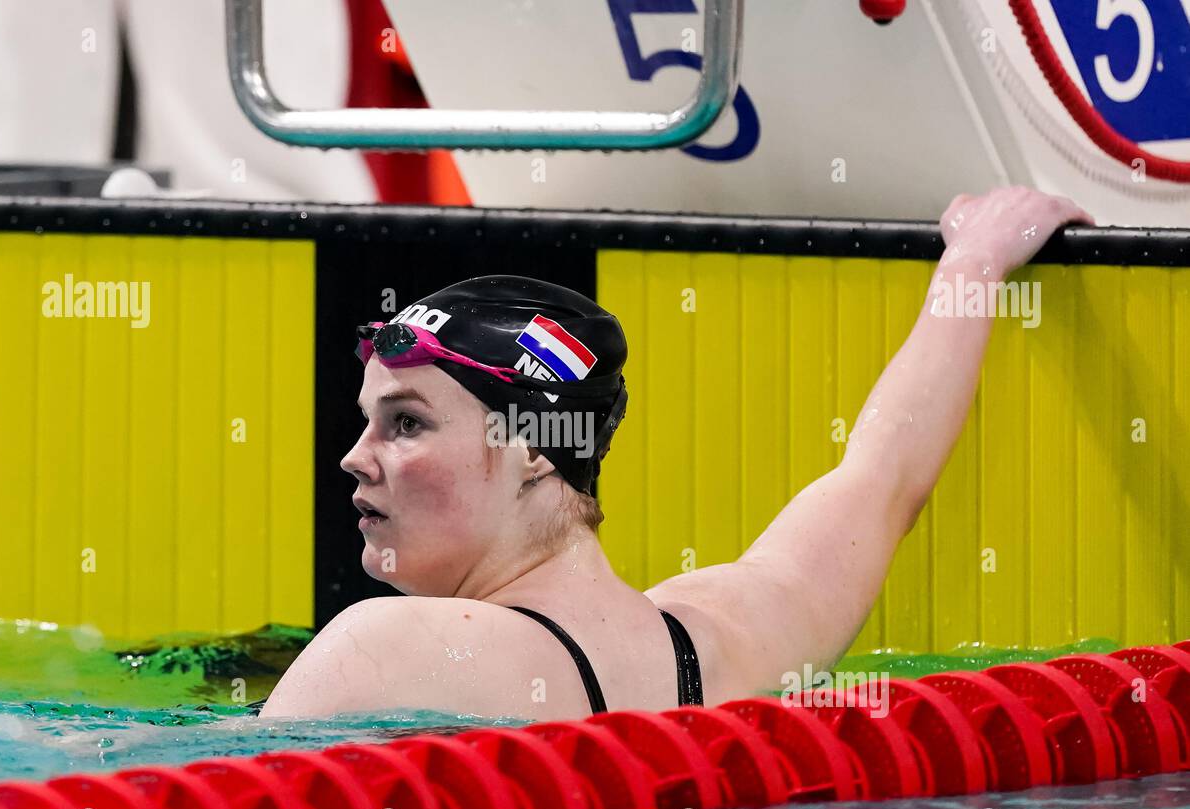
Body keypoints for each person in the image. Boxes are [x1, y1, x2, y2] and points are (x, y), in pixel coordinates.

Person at [261, 186, 1093, 721]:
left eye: (405, 424)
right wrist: (975, 263)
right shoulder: (736, 636)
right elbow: (882, 480)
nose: (355, 457)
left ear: (535, 452)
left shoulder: (383, 649)